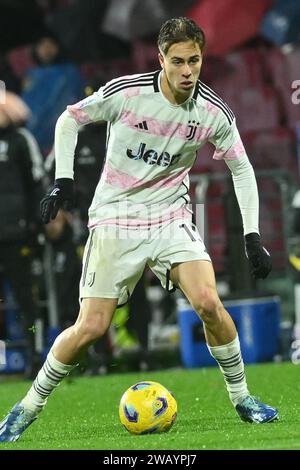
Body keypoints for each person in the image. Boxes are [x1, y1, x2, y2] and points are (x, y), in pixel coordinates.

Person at [0, 17, 278, 443]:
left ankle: (243, 399)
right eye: (179, 61)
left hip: (169, 217)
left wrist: (252, 235)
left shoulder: (212, 112)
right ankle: (27, 407)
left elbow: (241, 167)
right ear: (161, 58)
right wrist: (64, 180)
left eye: (196, 61)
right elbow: (69, 119)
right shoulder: (127, 93)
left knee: (207, 300)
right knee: (92, 327)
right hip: (115, 216)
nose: (188, 71)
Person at [0, 92, 45, 381]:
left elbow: (36, 184)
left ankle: (35, 357)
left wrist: (37, 228)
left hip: (17, 235)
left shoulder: (20, 140)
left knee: (25, 299)